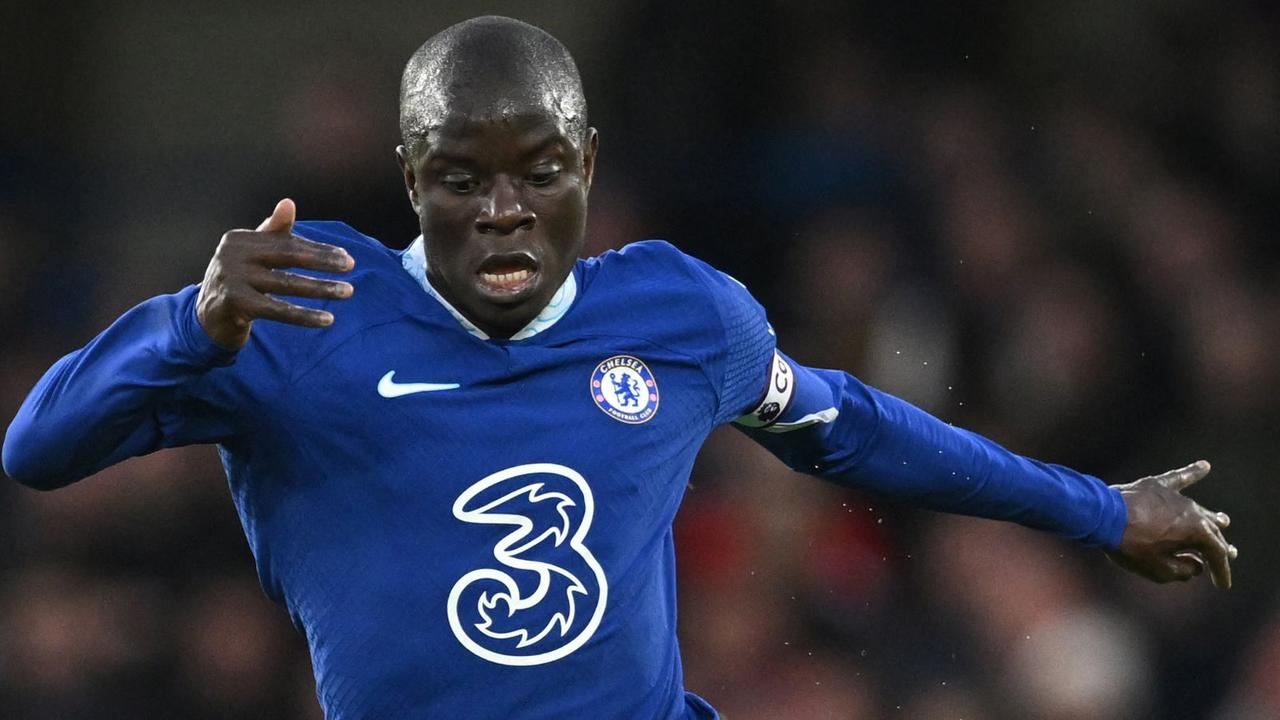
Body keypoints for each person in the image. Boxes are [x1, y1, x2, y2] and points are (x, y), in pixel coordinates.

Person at [1, 15, 1236, 720]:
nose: (501, 209)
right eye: (459, 176)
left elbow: (846, 424)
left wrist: (1097, 508)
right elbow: (37, 450)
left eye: (538, 171)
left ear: (587, 162)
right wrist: (186, 328)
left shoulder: (677, 313)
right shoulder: (296, 302)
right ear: (406, 173)